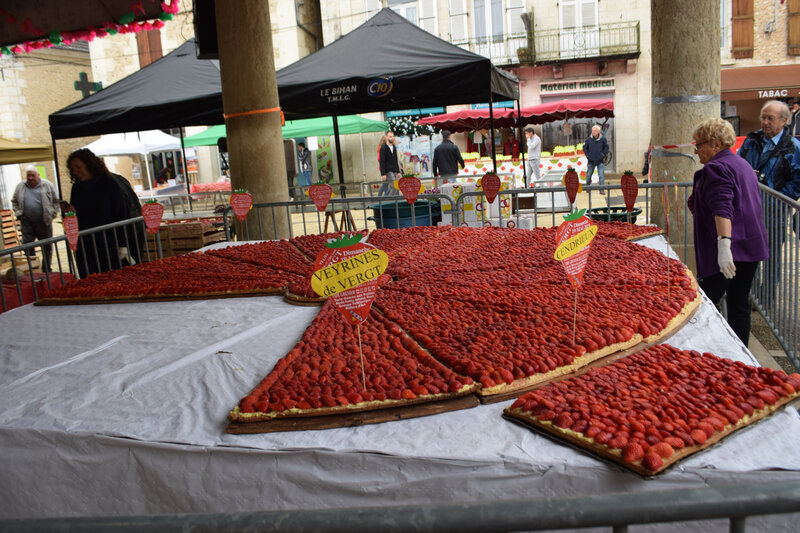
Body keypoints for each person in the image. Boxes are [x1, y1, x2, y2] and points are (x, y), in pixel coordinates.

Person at [688, 118, 768, 346]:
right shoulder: (741, 164)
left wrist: (724, 246)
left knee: (704, 304)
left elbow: (724, 208)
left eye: (699, 144)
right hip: (750, 247)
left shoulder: (716, 168)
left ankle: (704, 351)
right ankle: (740, 352)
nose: (696, 150)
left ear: (715, 144)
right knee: (739, 303)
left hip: (730, 251)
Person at [737, 100, 800, 306]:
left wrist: (777, 197)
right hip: (749, 208)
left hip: (775, 211)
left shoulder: (793, 147)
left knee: (772, 258)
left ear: (784, 121)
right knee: (749, 253)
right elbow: (738, 165)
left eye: (770, 118)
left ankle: (766, 300)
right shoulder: (751, 141)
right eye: (763, 117)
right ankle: (749, 294)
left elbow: (797, 181)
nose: (765, 122)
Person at [64, 148, 137, 278]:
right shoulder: (77, 187)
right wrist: (70, 212)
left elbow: (121, 214)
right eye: (73, 169)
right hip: (86, 243)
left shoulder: (109, 183)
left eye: (78, 167)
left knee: (111, 278)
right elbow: (75, 211)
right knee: (90, 279)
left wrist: (122, 244)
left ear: (89, 165)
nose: (76, 172)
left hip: (108, 242)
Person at [11, 165, 60, 272]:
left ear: (38, 175)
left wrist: (53, 214)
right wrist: (18, 212)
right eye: (28, 175)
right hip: (27, 222)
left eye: (33, 175)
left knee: (46, 246)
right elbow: (14, 201)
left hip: (44, 221)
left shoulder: (47, 185)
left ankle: (46, 268)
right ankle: (33, 268)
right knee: (27, 246)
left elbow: (56, 201)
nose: (30, 178)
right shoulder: (20, 186)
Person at [378, 130, 402, 197]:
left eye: (393, 136)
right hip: (388, 171)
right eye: (390, 136)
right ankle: (390, 199)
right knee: (394, 186)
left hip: (394, 170)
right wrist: (383, 174)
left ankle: (391, 198)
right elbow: (382, 161)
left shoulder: (394, 147)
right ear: (386, 137)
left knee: (398, 185)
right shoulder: (383, 148)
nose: (392, 138)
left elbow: (395, 159)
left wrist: (398, 171)